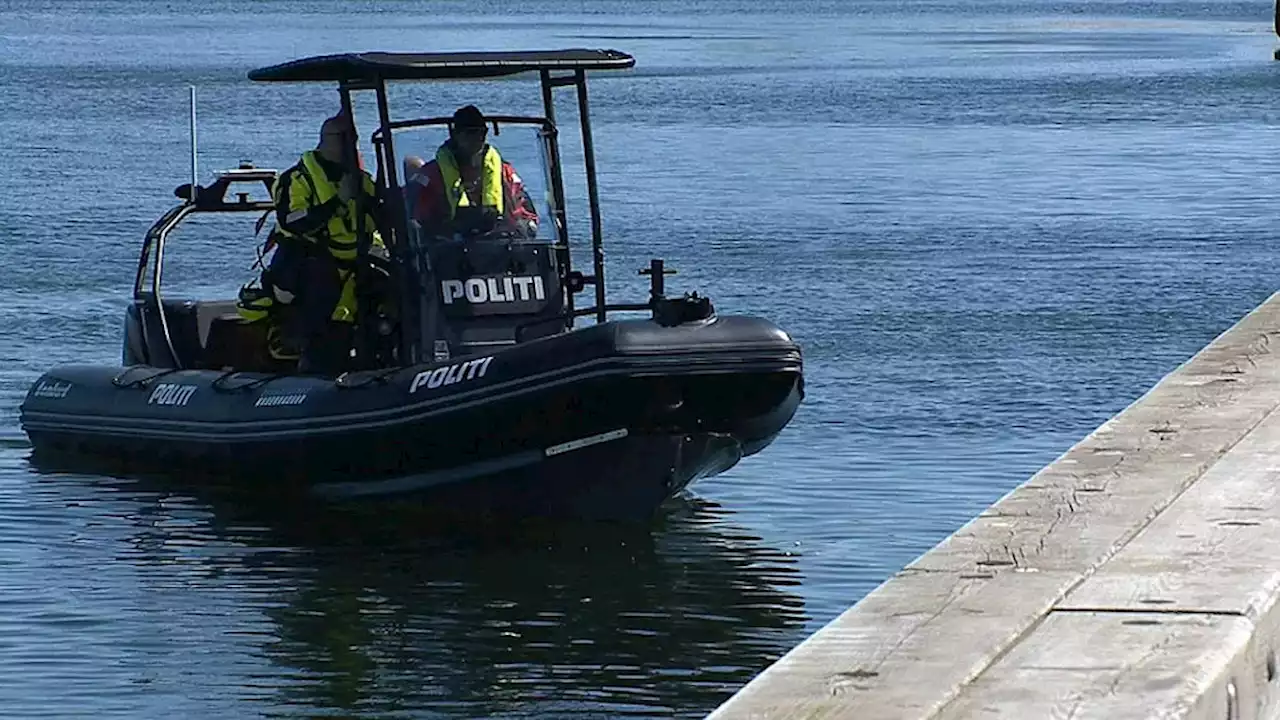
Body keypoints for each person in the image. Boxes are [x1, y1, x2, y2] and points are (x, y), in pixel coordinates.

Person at [237, 111, 389, 374]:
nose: (350, 145)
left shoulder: (360, 180)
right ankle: (314, 366)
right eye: (343, 139)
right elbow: (292, 221)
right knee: (323, 301)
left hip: (357, 263)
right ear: (326, 139)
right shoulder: (297, 179)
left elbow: (383, 217)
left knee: (391, 287)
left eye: (353, 139)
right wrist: (336, 201)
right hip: (309, 263)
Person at [410, 105, 539, 240]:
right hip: (451, 251)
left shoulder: (505, 171)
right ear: (455, 135)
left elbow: (525, 212)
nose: (477, 139)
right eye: (470, 133)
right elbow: (419, 219)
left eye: (481, 133)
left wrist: (524, 228)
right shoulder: (432, 174)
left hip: (499, 248)